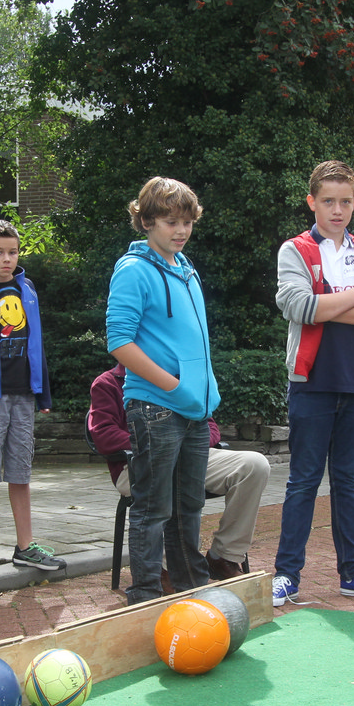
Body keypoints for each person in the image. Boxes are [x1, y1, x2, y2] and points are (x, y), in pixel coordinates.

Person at [271, 159, 354, 607]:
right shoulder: (294, 250)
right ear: (312, 202)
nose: (337, 210)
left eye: (345, 201)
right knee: (303, 481)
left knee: (348, 481)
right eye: (328, 201)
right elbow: (296, 306)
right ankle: (286, 576)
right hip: (311, 381)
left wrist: (328, 303)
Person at [105, 177, 221, 604]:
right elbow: (119, 341)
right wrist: (174, 385)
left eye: (187, 222)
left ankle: (194, 593)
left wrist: (204, 391)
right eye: (171, 222)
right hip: (155, 407)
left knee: (189, 508)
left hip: (194, 411)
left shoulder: (185, 268)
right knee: (153, 509)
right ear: (147, 221)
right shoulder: (133, 270)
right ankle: (145, 598)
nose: (181, 230)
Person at [88, 364, 270, 580]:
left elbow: (210, 426)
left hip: (191, 456)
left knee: (254, 465)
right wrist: (159, 443)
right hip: (136, 464)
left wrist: (186, 445)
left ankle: (224, 556)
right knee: (169, 469)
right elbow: (102, 434)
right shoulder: (107, 383)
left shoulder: (177, 378)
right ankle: (168, 568)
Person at [0, 218, 65, 581]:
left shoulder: (28, 289)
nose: (7, 259)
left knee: (20, 472)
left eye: (13, 252)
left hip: (23, 395)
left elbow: (37, 343)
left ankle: (25, 547)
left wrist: (43, 391)